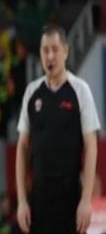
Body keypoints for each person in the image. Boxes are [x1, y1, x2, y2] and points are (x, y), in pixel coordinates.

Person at [16, 24, 100, 234]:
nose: (50, 56)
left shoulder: (80, 90)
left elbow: (91, 145)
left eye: (55, 49)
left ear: (66, 51)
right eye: (45, 50)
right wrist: (22, 201)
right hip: (39, 201)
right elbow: (22, 147)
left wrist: (86, 200)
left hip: (70, 200)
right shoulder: (32, 92)